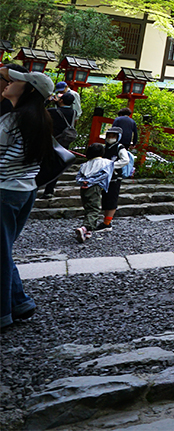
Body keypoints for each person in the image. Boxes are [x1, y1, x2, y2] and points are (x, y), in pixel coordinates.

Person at [0, 64, 55, 330]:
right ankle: (20, 302)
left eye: (15, 80)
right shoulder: (41, 119)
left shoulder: (11, 120)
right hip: (25, 190)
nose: (8, 82)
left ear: (29, 90)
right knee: (2, 250)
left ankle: (3, 314)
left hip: (4, 190)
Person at [39, 91, 79, 200]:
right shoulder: (73, 112)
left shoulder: (53, 111)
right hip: (65, 141)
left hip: (53, 141)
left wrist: (48, 101)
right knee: (56, 166)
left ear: (61, 100)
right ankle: (49, 190)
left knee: (44, 163)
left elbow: (39, 110)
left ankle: (37, 186)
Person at [73, 142, 113, 243]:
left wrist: (83, 181)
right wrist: (91, 181)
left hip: (83, 188)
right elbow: (105, 175)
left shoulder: (84, 165)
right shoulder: (106, 162)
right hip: (94, 187)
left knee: (88, 207)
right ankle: (85, 228)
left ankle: (87, 232)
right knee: (94, 209)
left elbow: (78, 177)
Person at [99, 126, 133, 230]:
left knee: (112, 199)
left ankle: (107, 223)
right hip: (105, 177)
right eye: (109, 136)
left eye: (113, 136)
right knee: (105, 198)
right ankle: (105, 221)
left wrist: (112, 165)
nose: (110, 138)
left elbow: (125, 160)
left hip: (115, 177)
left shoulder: (120, 147)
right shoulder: (105, 147)